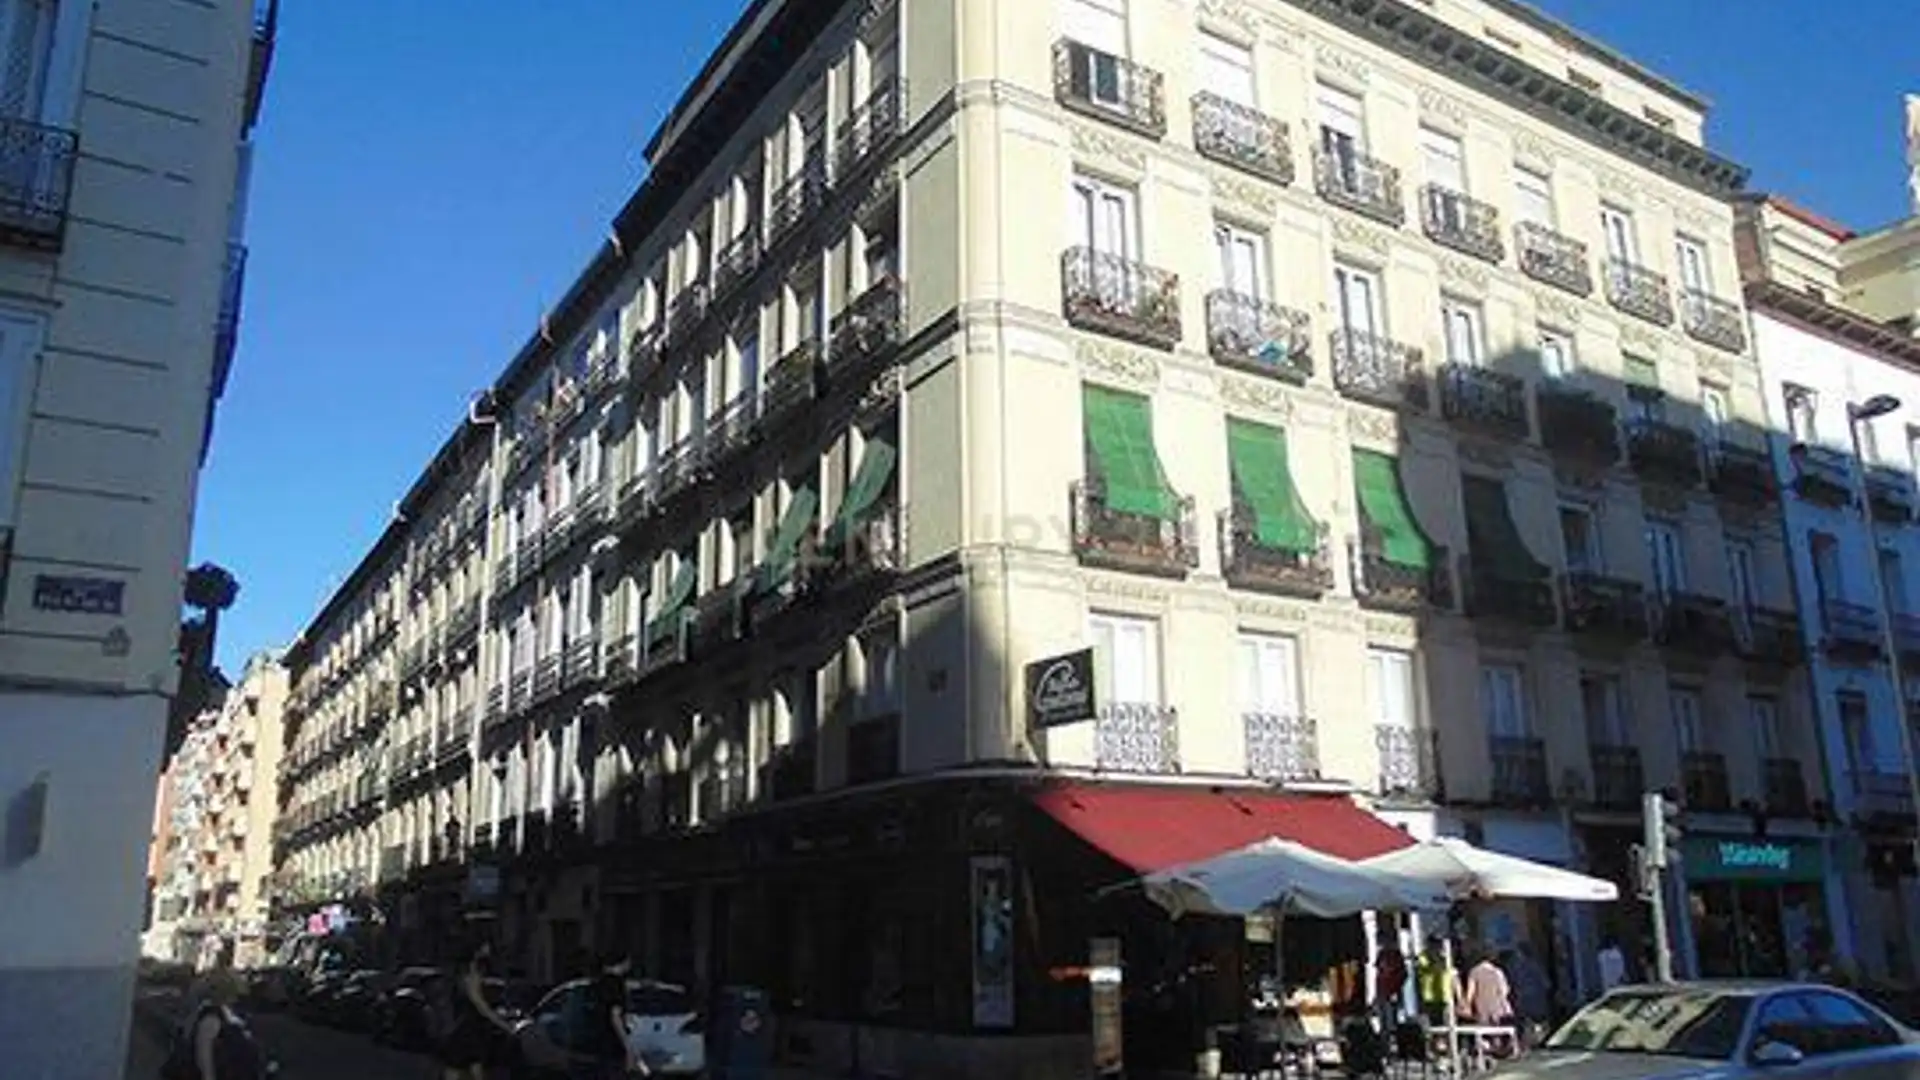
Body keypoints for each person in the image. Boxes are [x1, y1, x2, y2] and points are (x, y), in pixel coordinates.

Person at [166, 968, 268, 1080]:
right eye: (235, 993)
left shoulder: (225, 1013)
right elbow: (204, 1056)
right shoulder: (211, 1018)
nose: (238, 998)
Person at [438, 940, 519, 1080]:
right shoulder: (472, 976)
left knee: (463, 1069)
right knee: (467, 1068)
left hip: (466, 1028)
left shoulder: (461, 976)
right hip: (470, 1029)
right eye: (485, 947)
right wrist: (504, 1025)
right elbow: (481, 1006)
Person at [580, 952, 644, 1078]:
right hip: (613, 1042)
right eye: (628, 962)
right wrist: (627, 1045)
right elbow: (615, 1015)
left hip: (598, 1039)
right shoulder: (616, 984)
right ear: (622, 963)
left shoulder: (598, 983)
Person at [1460, 950, 1513, 1026]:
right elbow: (1504, 991)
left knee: (1486, 1031)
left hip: (1483, 1007)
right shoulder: (1497, 972)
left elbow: (1470, 992)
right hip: (1499, 1007)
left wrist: (1466, 1005)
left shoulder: (1474, 972)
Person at [1414, 935, 1457, 1026]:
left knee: (1447, 1022)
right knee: (1433, 1023)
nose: (1436, 947)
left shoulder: (1445, 957)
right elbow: (1429, 967)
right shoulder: (1423, 957)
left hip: (1445, 996)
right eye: (1433, 944)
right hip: (1430, 996)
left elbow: (1451, 974)